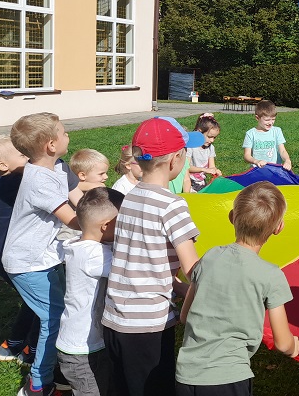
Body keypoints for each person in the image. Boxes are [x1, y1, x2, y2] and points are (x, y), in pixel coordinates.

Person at [102, 117, 202, 396]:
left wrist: (180, 289)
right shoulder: (172, 205)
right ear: (175, 160)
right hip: (148, 326)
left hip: (115, 318)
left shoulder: (129, 197)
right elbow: (195, 269)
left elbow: (145, 260)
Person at [176, 181, 299, 395]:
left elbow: (185, 316)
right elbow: (282, 342)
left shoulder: (210, 257)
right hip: (229, 377)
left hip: (186, 376)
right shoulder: (271, 275)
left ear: (232, 217)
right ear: (279, 228)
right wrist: (293, 346)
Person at [2, 113, 80, 396]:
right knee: (54, 317)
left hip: (43, 257)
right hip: (27, 262)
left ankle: (47, 364)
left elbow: (77, 199)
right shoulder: (40, 181)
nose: (68, 135)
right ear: (51, 145)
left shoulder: (55, 167)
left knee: (59, 310)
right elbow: (75, 220)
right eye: (63, 132)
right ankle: (38, 383)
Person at [0, 136, 37, 366]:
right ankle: (31, 351)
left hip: (9, 255)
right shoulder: (11, 183)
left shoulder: (4, 179)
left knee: (32, 301)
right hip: (14, 258)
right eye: (22, 154)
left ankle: (12, 344)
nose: (28, 157)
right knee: (45, 303)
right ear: (3, 165)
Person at [56, 187, 122, 396]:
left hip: (84, 343)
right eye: (122, 223)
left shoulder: (81, 245)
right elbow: (126, 271)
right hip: (82, 351)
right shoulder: (94, 255)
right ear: (106, 226)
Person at [242, 100, 293, 170]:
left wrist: (287, 160)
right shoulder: (250, 134)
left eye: (273, 119)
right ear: (257, 118)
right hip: (257, 170)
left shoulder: (277, 131)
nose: (270, 123)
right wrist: (256, 161)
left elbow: (282, 150)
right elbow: (247, 155)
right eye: (267, 120)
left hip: (275, 170)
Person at [187, 113, 223, 191]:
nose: (212, 140)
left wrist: (216, 171)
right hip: (189, 182)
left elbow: (212, 166)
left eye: (214, 137)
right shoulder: (191, 147)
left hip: (201, 182)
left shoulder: (211, 148)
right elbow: (186, 167)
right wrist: (204, 169)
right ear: (199, 132)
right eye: (210, 137)